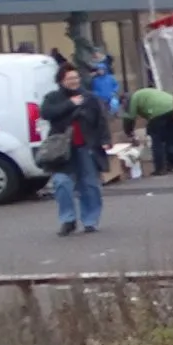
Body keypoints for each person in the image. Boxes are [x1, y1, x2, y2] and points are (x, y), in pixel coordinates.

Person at [41, 64, 110, 236]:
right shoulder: (53, 98)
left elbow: (100, 120)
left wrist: (105, 140)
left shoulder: (90, 98)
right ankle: (68, 220)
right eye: (70, 79)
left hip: (86, 147)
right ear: (61, 81)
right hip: (63, 150)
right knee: (61, 183)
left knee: (89, 184)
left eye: (76, 78)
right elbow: (46, 113)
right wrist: (70, 104)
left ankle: (90, 221)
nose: (74, 81)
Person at [128, 82, 173, 176]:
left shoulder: (134, 98)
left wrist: (128, 132)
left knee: (157, 141)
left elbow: (129, 118)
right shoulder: (146, 94)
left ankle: (160, 169)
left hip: (159, 113)